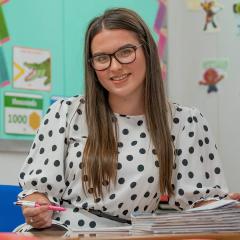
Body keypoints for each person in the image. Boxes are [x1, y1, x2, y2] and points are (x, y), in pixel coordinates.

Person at [16, 8, 239, 231]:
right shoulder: (64, 113)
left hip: (131, 234)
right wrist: (37, 208)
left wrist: (225, 210)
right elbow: (38, 193)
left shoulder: (184, 122)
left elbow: (200, 200)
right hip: (60, 232)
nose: (114, 66)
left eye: (125, 52)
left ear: (148, 52)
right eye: (102, 58)